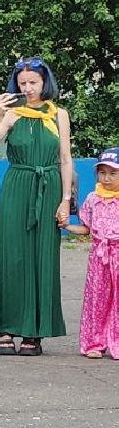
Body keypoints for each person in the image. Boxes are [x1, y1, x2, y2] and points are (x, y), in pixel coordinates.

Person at [0, 57, 74, 356]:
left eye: (33, 82)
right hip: (16, 188)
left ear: (45, 83)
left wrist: (65, 201)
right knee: (11, 256)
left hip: (49, 187)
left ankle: (34, 332)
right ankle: (5, 329)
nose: (29, 88)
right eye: (23, 84)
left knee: (42, 258)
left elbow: (65, 159)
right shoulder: (13, 114)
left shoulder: (59, 114)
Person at [64, 147, 119, 359]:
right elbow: (86, 228)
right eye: (102, 173)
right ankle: (94, 343)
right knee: (97, 299)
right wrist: (68, 226)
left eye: (113, 173)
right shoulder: (93, 199)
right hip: (99, 256)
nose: (106, 178)